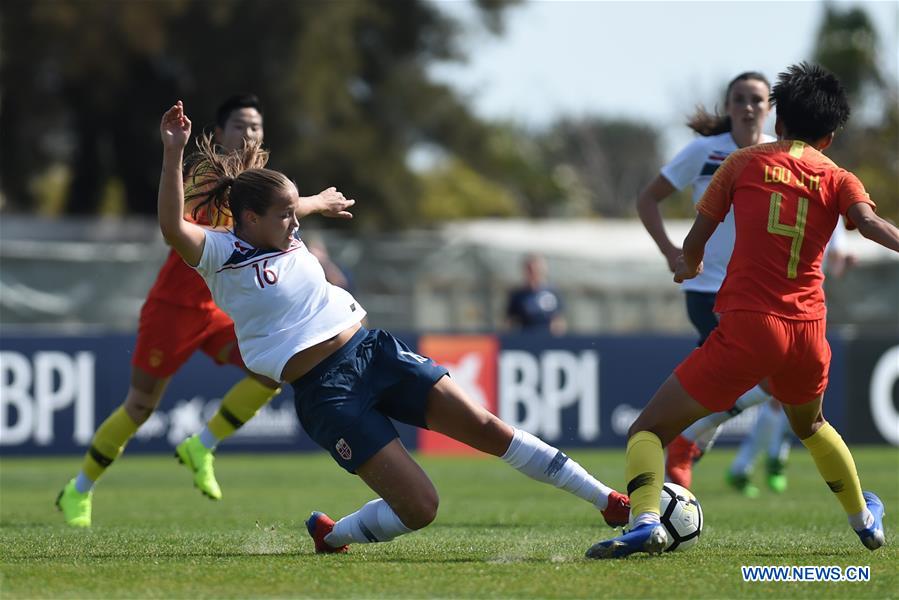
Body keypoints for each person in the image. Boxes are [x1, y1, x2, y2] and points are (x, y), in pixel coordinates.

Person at [156, 101, 631, 553]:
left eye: (293, 211)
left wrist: (319, 200)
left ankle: (604, 499)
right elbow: (173, 228)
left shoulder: (281, 224)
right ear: (250, 218)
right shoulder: (220, 255)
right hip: (327, 394)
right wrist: (174, 150)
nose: (294, 221)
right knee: (421, 508)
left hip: (373, 352)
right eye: (285, 214)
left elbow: (295, 208)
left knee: (488, 428)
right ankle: (335, 534)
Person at [586, 63, 895, 559]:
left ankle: (645, 521)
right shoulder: (839, 176)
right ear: (830, 136)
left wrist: (687, 264)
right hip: (810, 332)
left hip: (750, 326)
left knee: (646, 429)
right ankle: (865, 521)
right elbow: (869, 222)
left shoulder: (743, 163)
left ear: (779, 119)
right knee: (811, 426)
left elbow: (696, 240)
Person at [55, 94, 339, 527]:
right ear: (220, 133)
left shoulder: (258, 181)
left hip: (220, 310)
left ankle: (201, 444)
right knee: (141, 406)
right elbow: (185, 227)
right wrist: (173, 150)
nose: (250, 134)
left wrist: (314, 202)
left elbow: (273, 214)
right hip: (174, 308)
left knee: (271, 372)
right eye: (241, 126)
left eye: (257, 126)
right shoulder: (205, 178)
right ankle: (79, 488)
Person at [636, 71, 781, 489]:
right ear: (728, 107)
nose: (749, 106)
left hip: (758, 292)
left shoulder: (780, 155)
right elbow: (647, 198)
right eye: (740, 99)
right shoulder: (705, 152)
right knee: (770, 379)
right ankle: (685, 445)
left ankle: (685, 448)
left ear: (769, 108)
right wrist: (669, 250)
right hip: (709, 291)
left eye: (757, 99)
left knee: (736, 385)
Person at [724, 218, 857, 497]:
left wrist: (843, 263)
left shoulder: (814, 199)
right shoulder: (816, 200)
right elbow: (834, 263)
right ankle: (767, 458)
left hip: (790, 309)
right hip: (788, 309)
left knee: (782, 394)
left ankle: (751, 463)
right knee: (780, 393)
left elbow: (833, 264)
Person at [506, 254, 567, 335]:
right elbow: (510, 321)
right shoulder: (518, 295)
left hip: (548, 338)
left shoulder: (553, 292)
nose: (534, 273)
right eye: (531, 270)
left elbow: (559, 319)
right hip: (526, 338)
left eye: (537, 269)